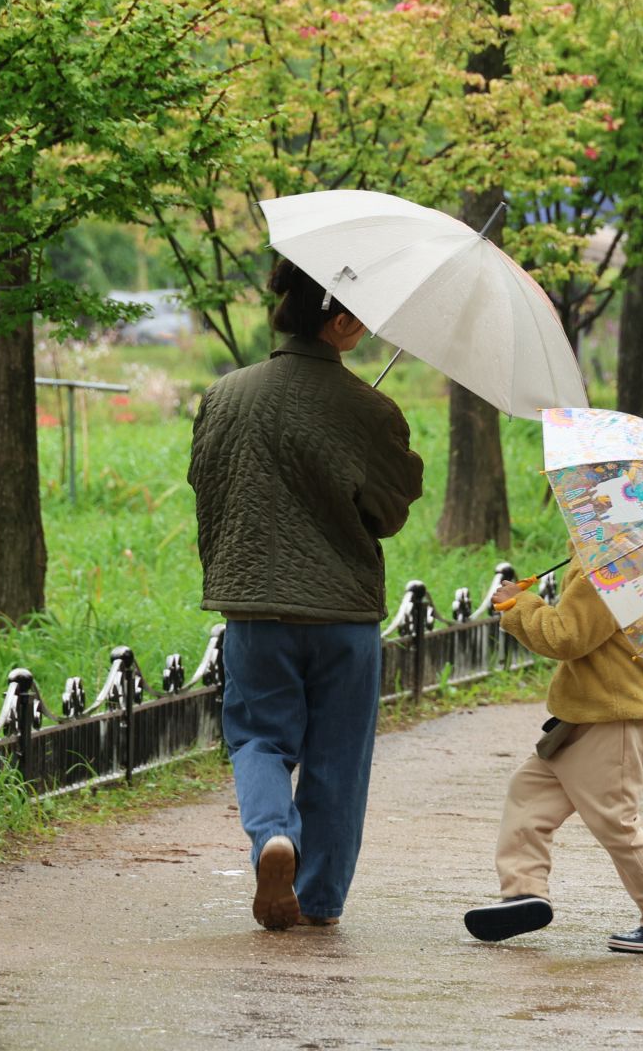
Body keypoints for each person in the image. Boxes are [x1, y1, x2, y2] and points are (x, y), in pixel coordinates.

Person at [187, 258, 425, 931]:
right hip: (342, 613)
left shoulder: (224, 396)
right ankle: (318, 901)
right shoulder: (369, 409)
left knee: (260, 739)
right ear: (339, 321)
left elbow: (206, 484)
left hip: (255, 606)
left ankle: (273, 837)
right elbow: (387, 512)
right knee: (337, 761)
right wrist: (392, 453)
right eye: (362, 316)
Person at [461, 557, 643, 954]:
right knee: (529, 794)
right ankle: (524, 892)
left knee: (615, 822)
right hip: (588, 714)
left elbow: (566, 636)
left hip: (614, 718)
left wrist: (520, 604)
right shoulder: (619, 561)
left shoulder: (610, 570)